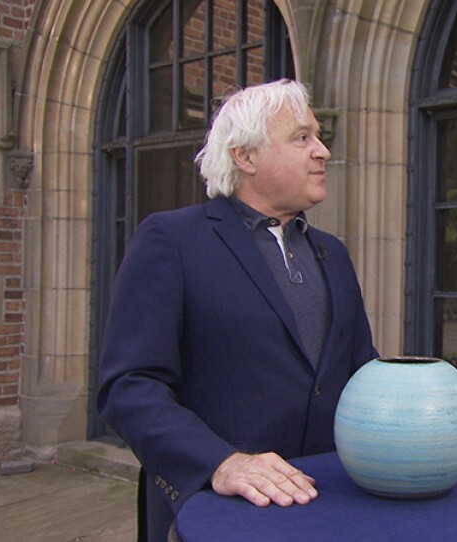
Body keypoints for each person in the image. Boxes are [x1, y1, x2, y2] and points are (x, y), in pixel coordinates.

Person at [97, 79, 378, 541]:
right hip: (219, 512)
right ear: (245, 156)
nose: (323, 151)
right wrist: (220, 463)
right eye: (302, 137)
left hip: (330, 506)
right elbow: (129, 386)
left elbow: (359, 370)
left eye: (318, 136)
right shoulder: (173, 240)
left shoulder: (333, 253)